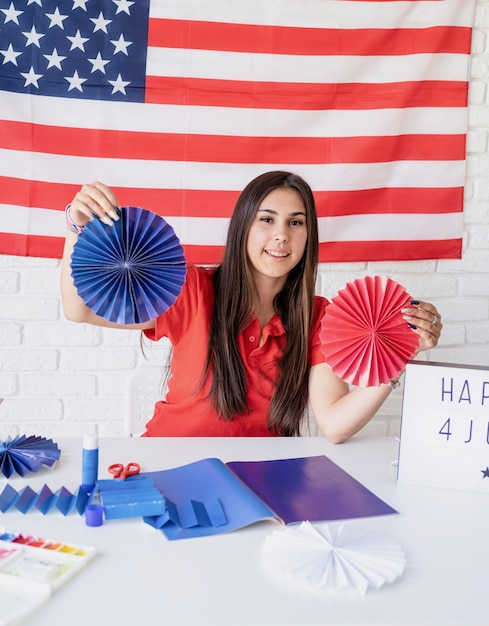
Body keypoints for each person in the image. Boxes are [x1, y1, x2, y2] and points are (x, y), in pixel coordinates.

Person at [60, 171, 442, 441]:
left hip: (264, 480)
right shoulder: (191, 287)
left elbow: (335, 424)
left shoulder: (319, 315)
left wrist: (398, 355)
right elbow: (79, 309)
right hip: (169, 462)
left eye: (296, 223)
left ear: (309, 237)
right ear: (243, 227)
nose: (281, 235)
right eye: (267, 219)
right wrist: (76, 228)